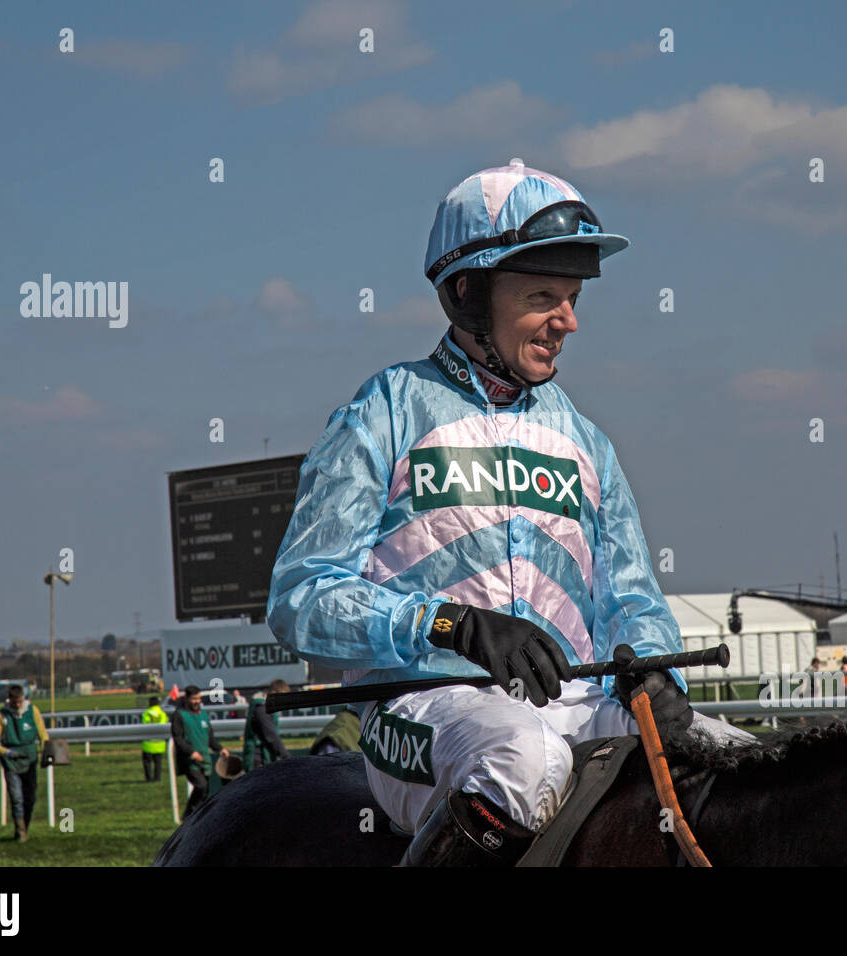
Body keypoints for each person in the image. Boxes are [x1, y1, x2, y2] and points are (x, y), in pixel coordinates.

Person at [268, 160, 754, 866]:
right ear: (467, 295)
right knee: (525, 763)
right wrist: (450, 624)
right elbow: (301, 599)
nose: (568, 321)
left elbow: (631, 598)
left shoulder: (587, 441)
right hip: (425, 708)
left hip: (574, 703)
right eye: (542, 297)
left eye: (573, 297)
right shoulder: (382, 412)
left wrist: (655, 677)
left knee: (749, 768)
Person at [0, 685, 49, 842]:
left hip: (30, 760)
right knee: (17, 799)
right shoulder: (1, 715)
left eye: (20, 702)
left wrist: (45, 753)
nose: (18, 705)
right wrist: (6, 752)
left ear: (24, 698)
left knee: (30, 798)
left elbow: (43, 735)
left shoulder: (33, 711)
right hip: (11, 762)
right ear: (10, 700)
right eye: (15, 702)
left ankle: (24, 827)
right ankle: (20, 832)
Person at [169, 685, 229, 815]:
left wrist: (220, 749)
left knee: (206, 791)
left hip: (205, 758)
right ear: (187, 699)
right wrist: (191, 752)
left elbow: (210, 738)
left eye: (198, 699)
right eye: (194, 699)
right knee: (201, 786)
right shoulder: (179, 715)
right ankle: (189, 816)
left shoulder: (203, 715)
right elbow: (178, 739)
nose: (197, 701)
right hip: (189, 760)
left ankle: (200, 817)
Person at [242, 679, 290, 770]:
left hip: (262, 757)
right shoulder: (262, 708)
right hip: (259, 759)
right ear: (273, 692)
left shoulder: (262, 706)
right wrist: (286, 756)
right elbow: (271, 735)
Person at [141, 696, 168, 782]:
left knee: (147, 762)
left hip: (148, 742)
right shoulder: (162, 713)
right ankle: (157, 778)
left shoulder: (147, 713)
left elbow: (144, 725)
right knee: (158, 762)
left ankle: (148, 778)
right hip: (160, 742)